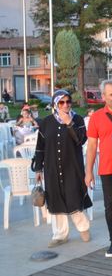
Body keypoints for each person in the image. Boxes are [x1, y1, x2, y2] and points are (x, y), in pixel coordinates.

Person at [33, 90, 92, 247]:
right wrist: (38, 169)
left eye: (68, 101)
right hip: (52, 168)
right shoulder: (46, 123)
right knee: (56, 198)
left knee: (74, 197)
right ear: (55, 104)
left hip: (72, 167)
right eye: (61, 102)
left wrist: (69, 123)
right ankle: (60, 234)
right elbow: (40, 148)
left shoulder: (77, 119)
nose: (65, 105)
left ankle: (83, 228)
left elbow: (81, 140)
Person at [85, 80, 112, 257]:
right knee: (111, 206)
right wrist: (88, 172)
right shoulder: (97, 117)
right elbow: (92, 146)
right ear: (103, 97)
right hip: (108, 168)